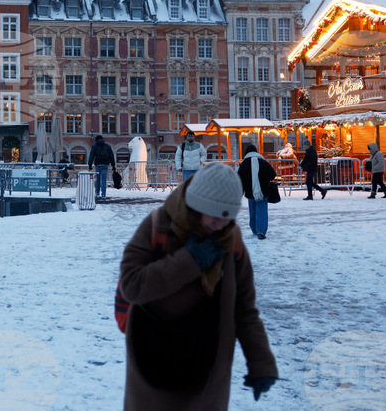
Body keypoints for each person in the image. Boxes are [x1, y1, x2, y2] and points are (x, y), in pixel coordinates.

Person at [119, 163, 279, 408]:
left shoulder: (231, 239)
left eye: (228, 218)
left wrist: (261, 364)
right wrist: (189, 261)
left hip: (208, 373)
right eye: (215, 216)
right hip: (154, 362)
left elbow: (244, 307)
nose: (221, 226)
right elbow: (131, 285)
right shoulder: (157, 227)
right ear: (196, 206)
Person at [238, 143, 276, 240]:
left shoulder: (244, 163)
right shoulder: (263, 161)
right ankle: (261, 231)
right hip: (263, 191)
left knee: (253, 211)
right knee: (262, 211)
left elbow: (239, 178)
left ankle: (254, 230)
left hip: (250, 192)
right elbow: (272, 174)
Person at [87, 135, 116, 199]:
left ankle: (97, 193)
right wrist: (113, 165)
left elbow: (91, 156)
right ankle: (103, 194)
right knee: (103, 180)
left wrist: (90, 165)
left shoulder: (95, 147)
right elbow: (111, 156)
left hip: (98, 165)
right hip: (105, 165)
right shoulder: (107, 146)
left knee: (97, 179)